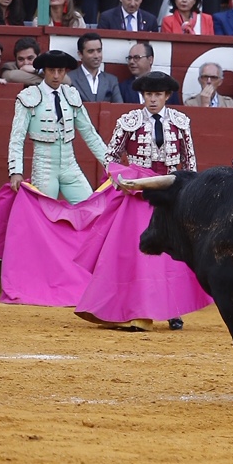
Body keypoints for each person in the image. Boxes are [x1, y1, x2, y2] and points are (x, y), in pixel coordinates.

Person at [73, 70, 209, 331]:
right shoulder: (129, 121)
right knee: (143, 256)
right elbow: (110, 157)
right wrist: (123, 179)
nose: (153, 99)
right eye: (148, 94)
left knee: (173, 255)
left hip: (171, 193)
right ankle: (141, 308)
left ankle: (173, 309)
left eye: (158, 94)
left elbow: (190, 161)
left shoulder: (181, 122)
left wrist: (190, 191)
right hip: (138, 196)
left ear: (167, 95)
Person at [7, 48, 108, 203]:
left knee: (91, 207)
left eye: (60, 71)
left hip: (70, 165)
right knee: (45, 217)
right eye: (51, 70)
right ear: (43, 71)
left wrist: (110, 165)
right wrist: (16, 171)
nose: (56, 76)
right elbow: (17, 137)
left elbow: (90, 134)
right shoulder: (29, 97)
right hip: (44, 168)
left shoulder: (71, 95)